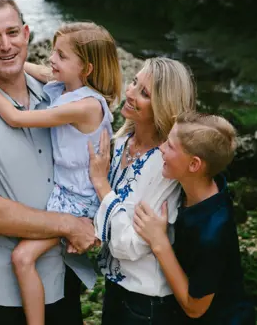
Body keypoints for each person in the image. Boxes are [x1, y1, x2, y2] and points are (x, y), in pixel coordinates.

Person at [0, 0, 97, 325]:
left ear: (27, 33)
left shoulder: (57, 94)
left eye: (13, 33)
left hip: (61, 277)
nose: (6, 45)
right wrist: (71, 225)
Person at [88, 57, 197, 325]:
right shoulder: (121, 141)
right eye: (135, 82)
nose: (130, 92)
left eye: (144, 93)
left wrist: (102, 185)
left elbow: (129, 246)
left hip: (146, 302)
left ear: (164, 106)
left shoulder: (164, 165)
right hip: (115, 288)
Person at [133, 112, 256, 324]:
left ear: (194, 165)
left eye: (170, 146)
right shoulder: (208, 182)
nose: (161, 148)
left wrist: (159, 242)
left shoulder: (213, 232)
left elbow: (195, 307)